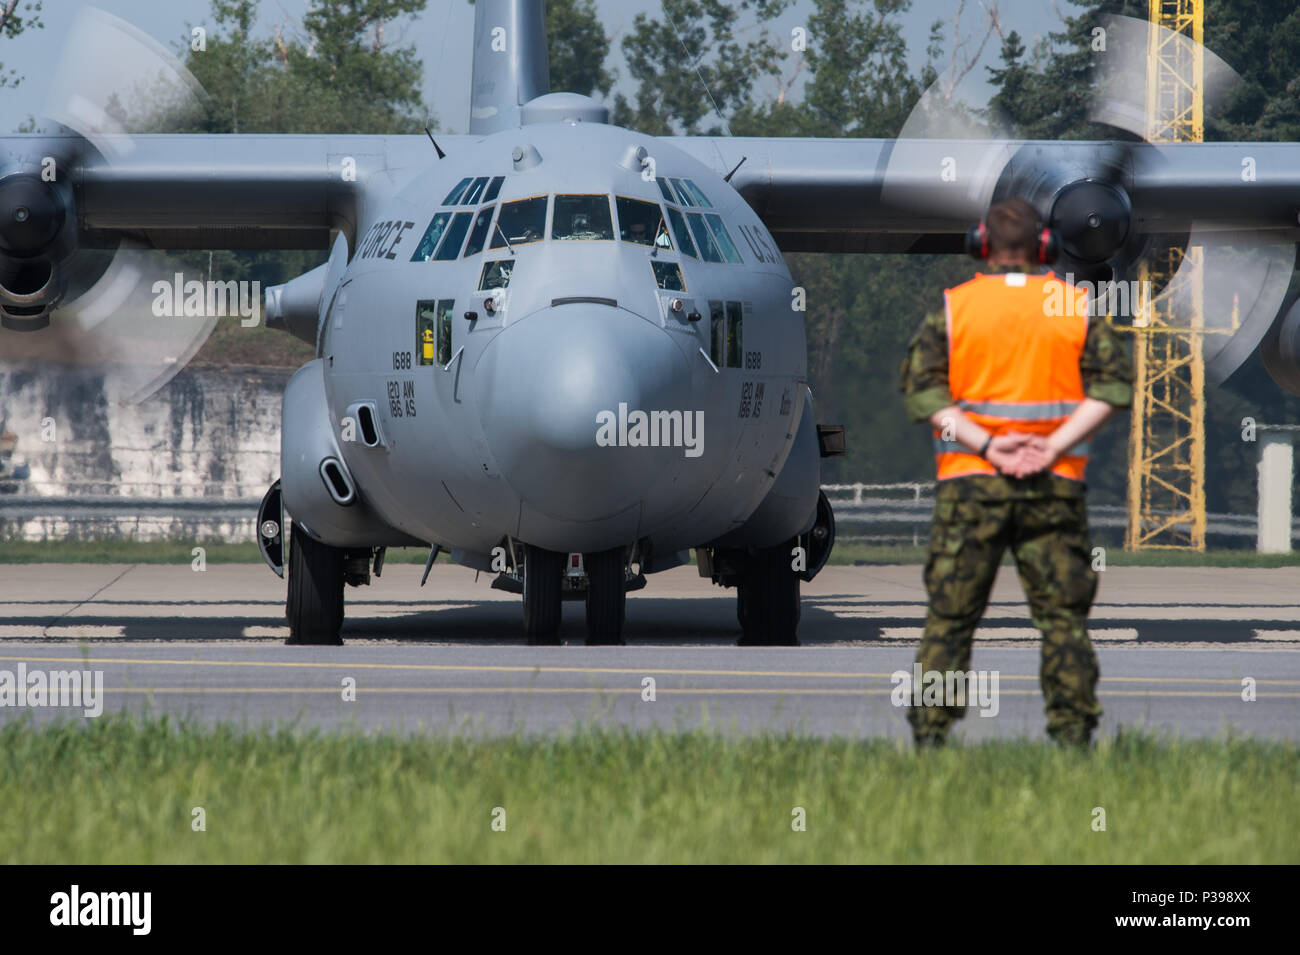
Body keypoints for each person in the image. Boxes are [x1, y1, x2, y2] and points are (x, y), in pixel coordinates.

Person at [897, 197, 1135, 747]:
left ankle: (930, 740)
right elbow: (1113, 389)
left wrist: (990, 446)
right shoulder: (1073, 306)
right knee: (1063, 622)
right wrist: (1050, 447)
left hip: (970, 485)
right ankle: (1074, 738)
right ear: (1045, 246)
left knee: (950, 620)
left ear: (982, 244)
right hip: (1053, 487)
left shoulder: (955, 309)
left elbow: (923, 392)